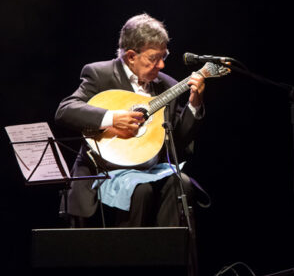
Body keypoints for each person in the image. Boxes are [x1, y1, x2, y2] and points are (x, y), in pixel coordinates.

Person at [55, 13, 206, 228]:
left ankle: (169, 256)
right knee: (140, 190)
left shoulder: (168, 86)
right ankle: (128, 258)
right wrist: (112, 119)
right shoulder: (100, 74)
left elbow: (179, 141)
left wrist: (195, 102)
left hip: (150, 170)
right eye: (154, 58)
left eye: (164, 56)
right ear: (131, 56)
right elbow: (66, 110)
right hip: (104, 172)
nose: (161, 65)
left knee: (181, 183)